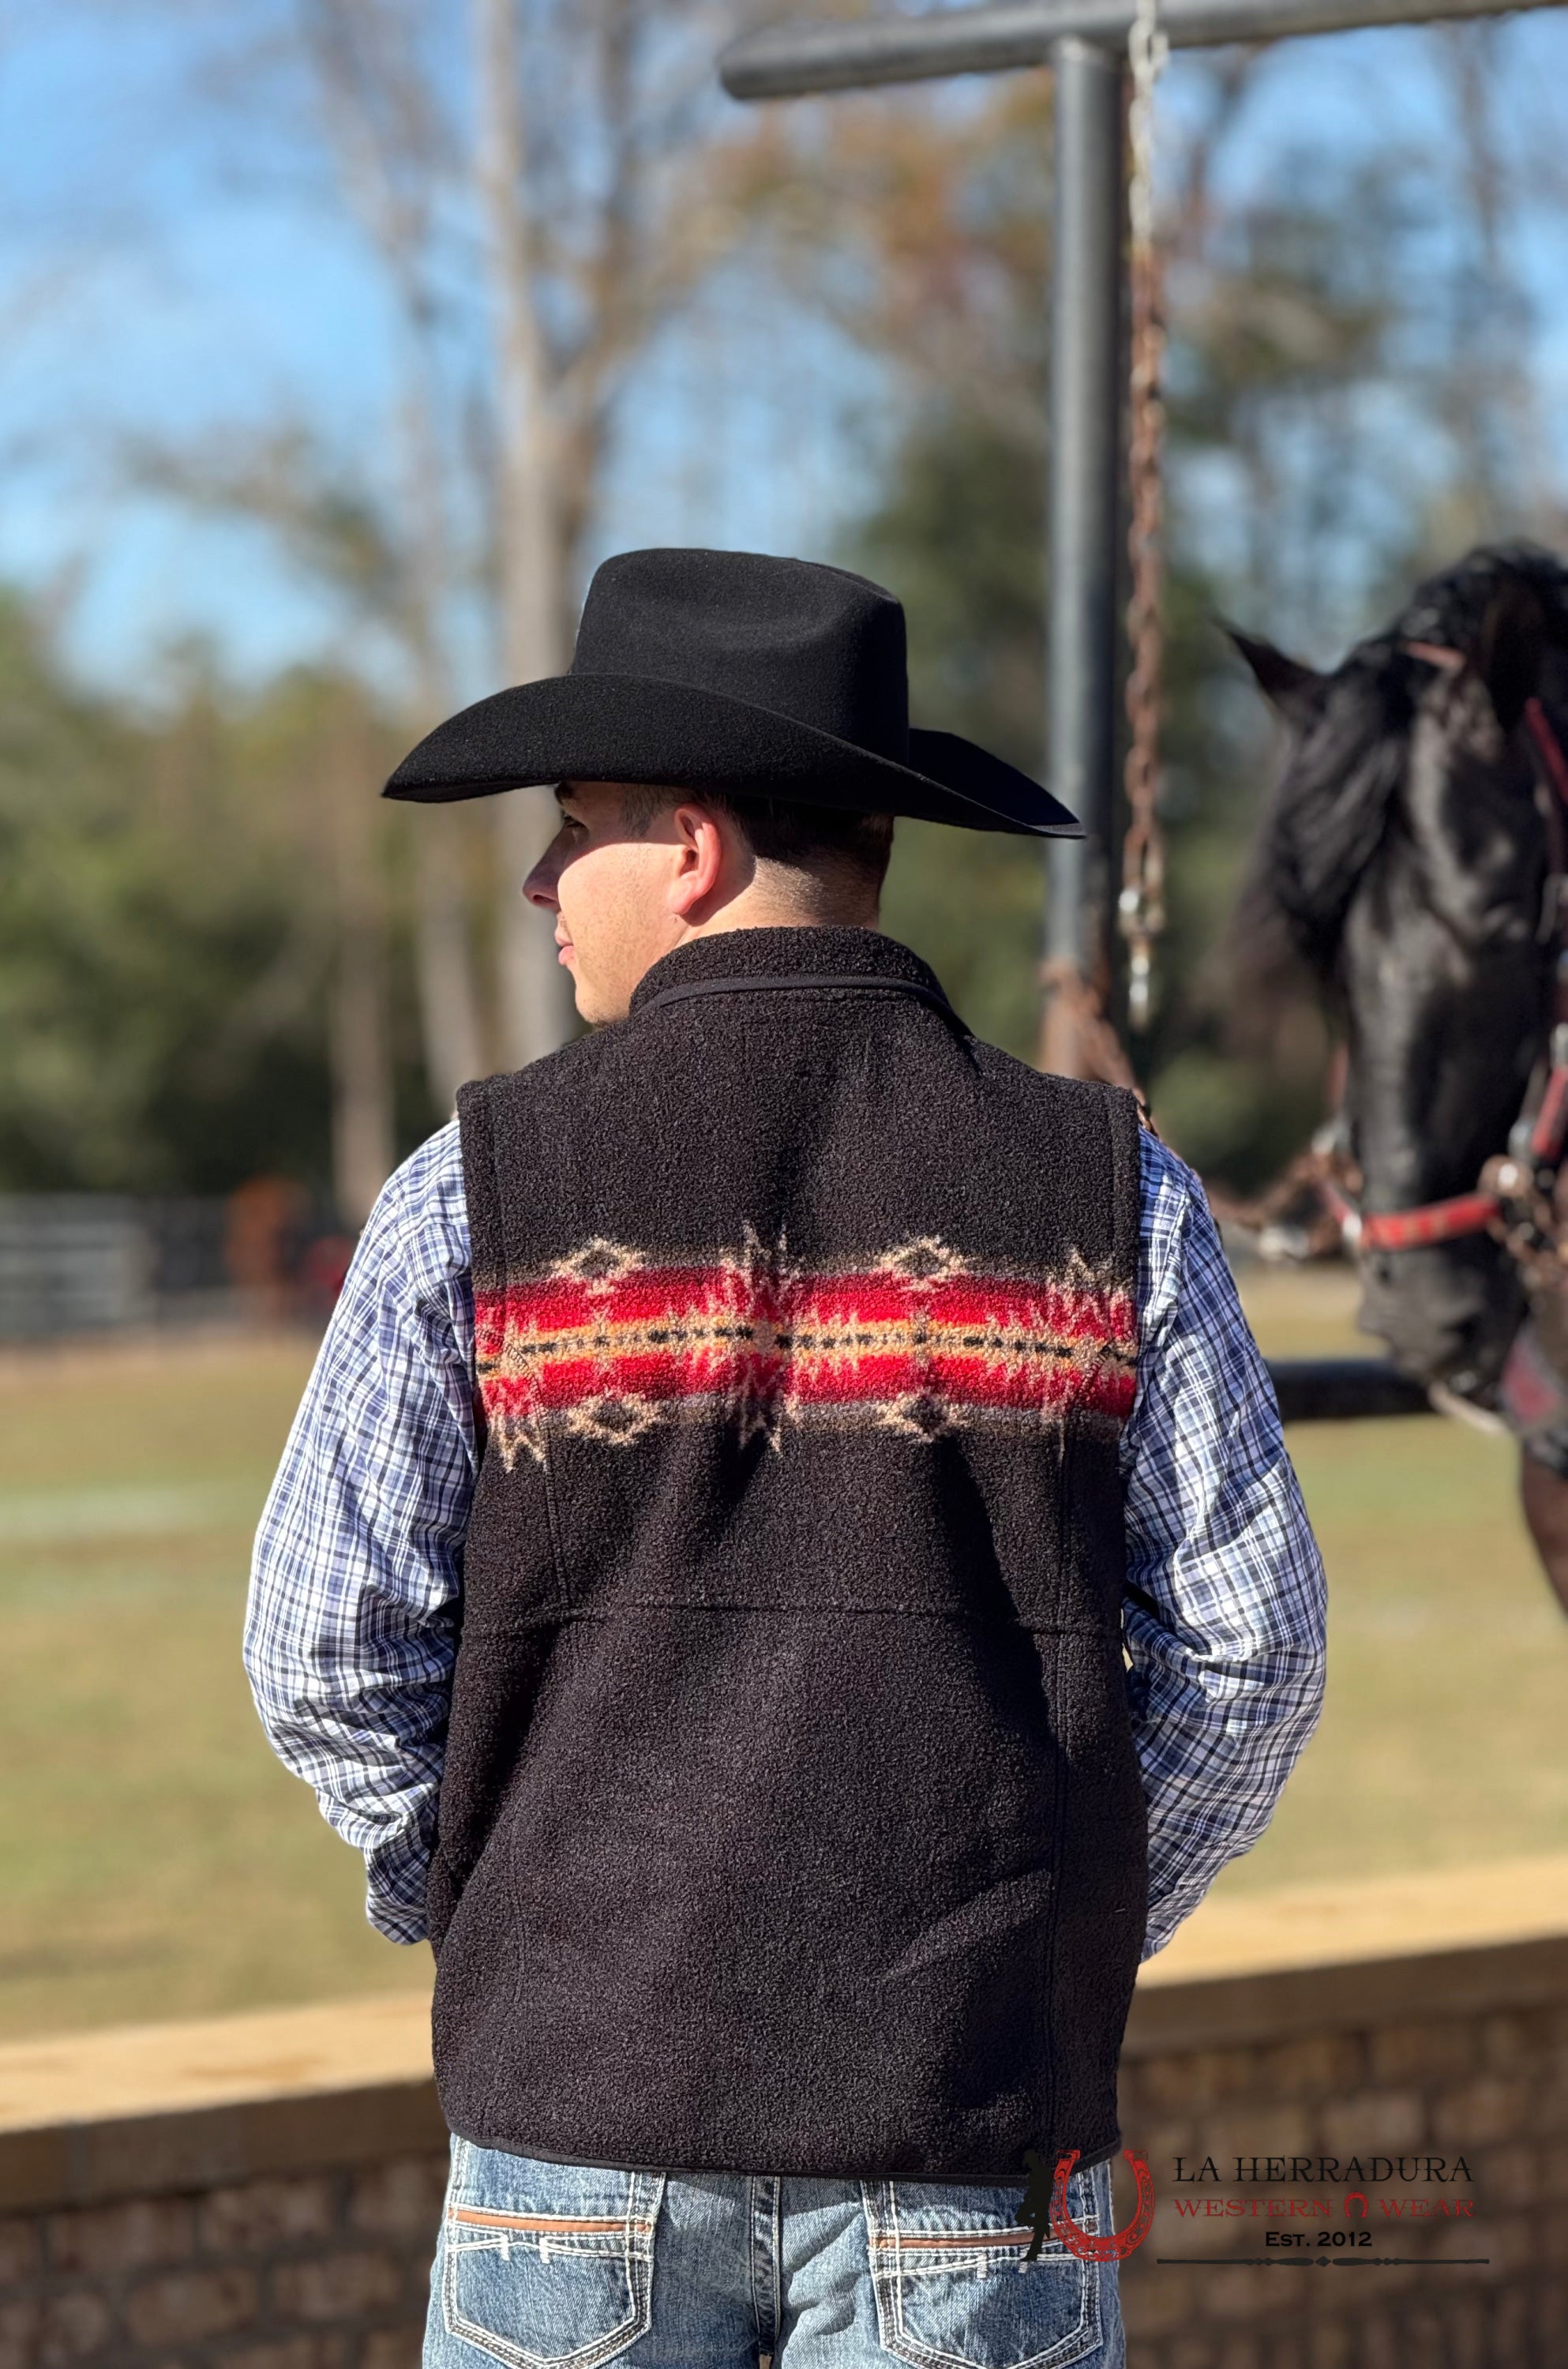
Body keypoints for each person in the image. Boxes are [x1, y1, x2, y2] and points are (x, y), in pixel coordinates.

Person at [243, 548, 1328, 2369]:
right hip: (976, 2158)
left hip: (569, 2150)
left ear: (693, 848)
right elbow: (1254, 1652)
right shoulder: (1111, 1188)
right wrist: (1057, 1923)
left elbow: (323, 1646)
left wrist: (506, 1894)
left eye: (568, 825)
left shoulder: (475, 1191)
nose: (536, 881)